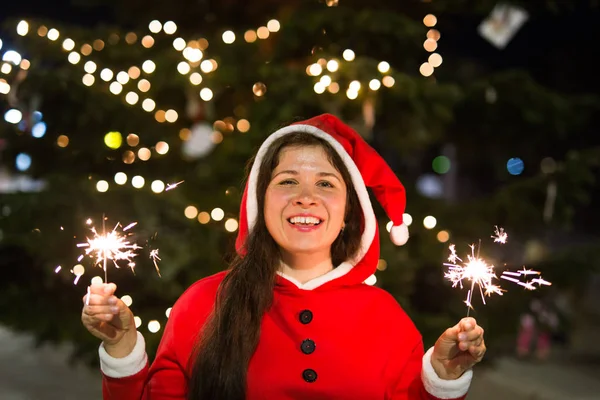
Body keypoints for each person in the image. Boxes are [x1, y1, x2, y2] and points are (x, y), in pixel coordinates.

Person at [82, 114, 486, 399]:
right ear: (260, 203)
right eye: (287, 180)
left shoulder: (387, 318)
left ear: (349, 213)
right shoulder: (202, 304)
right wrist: (122, 349)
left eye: (325, 183)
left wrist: (443, 379)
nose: (305, 196)